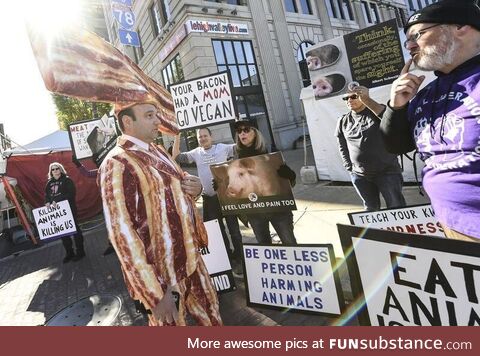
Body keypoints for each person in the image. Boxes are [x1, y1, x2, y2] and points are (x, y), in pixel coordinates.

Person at [98, 102, 222, 326]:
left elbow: (178, 185)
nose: (158, 121)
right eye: (149, 115)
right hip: (163, 277)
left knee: (212, 316)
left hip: (192, 259)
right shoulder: (116, 163)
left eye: (156, 114)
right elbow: (122, 235)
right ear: (128, 122)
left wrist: (196, 188)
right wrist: (154, 293)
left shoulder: (157, 150)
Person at [380, 0, 480, 242]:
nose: (411, 46)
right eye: (408, 41)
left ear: (461, 27)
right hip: (450, 222)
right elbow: (396, 145)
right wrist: (397, 106)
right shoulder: (426, 92)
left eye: (418, 34)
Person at [172, 128, 244, 276]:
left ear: (211, 136)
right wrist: (176, 136)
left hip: (227, 197)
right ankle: (227, 258)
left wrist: (238, 126)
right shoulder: (196, 153)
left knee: (234, 231)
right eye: (200, 137)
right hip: (209, 199)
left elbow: (241, 147)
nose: (203, 138)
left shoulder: (223, 148)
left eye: (205, 136)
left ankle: (241, 258)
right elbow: (176, 157)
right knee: (217, 232)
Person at [335, 86, 406, 211]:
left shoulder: (376, 111)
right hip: (360, 175)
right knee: (370, 209)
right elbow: (342, 144)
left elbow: (391, 117)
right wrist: (349, 167)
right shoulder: (343, 121)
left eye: (353, 96)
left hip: (387, 172)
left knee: (396, 207)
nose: (349, 100)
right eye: (346, 98)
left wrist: (368, 100)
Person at [231, 119, 297, 245]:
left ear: (255, 132)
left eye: (246, 130)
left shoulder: (271, 153)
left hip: (278, 210)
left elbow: (290, 184)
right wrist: (221, 186)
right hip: (255, 213)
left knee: (290, 244)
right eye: (239, 131)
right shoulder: (236, 160)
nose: (242, 133)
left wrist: (289, 175)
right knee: (264, 247)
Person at [45, 162, 86, 263]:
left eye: (57, 168)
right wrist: (47, 202)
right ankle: (69, 253)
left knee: (75, 231)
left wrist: (57, 200)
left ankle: (80, 252)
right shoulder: (49, 183)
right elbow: (47, 195)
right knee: (63, 233)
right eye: (53, 169)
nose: (55, 171)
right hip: (57, 212)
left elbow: (71, 194)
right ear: (51, 172)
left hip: (69, 209)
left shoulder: (67, 180)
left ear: (61, 169)